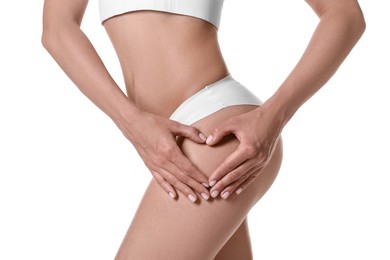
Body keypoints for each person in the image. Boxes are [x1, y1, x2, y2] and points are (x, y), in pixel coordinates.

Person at [42, 0, 365, 259]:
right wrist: (132, 122)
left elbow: (345, 14)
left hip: (215, 132)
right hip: (182, 139)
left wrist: (273, 116)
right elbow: (57, 29)